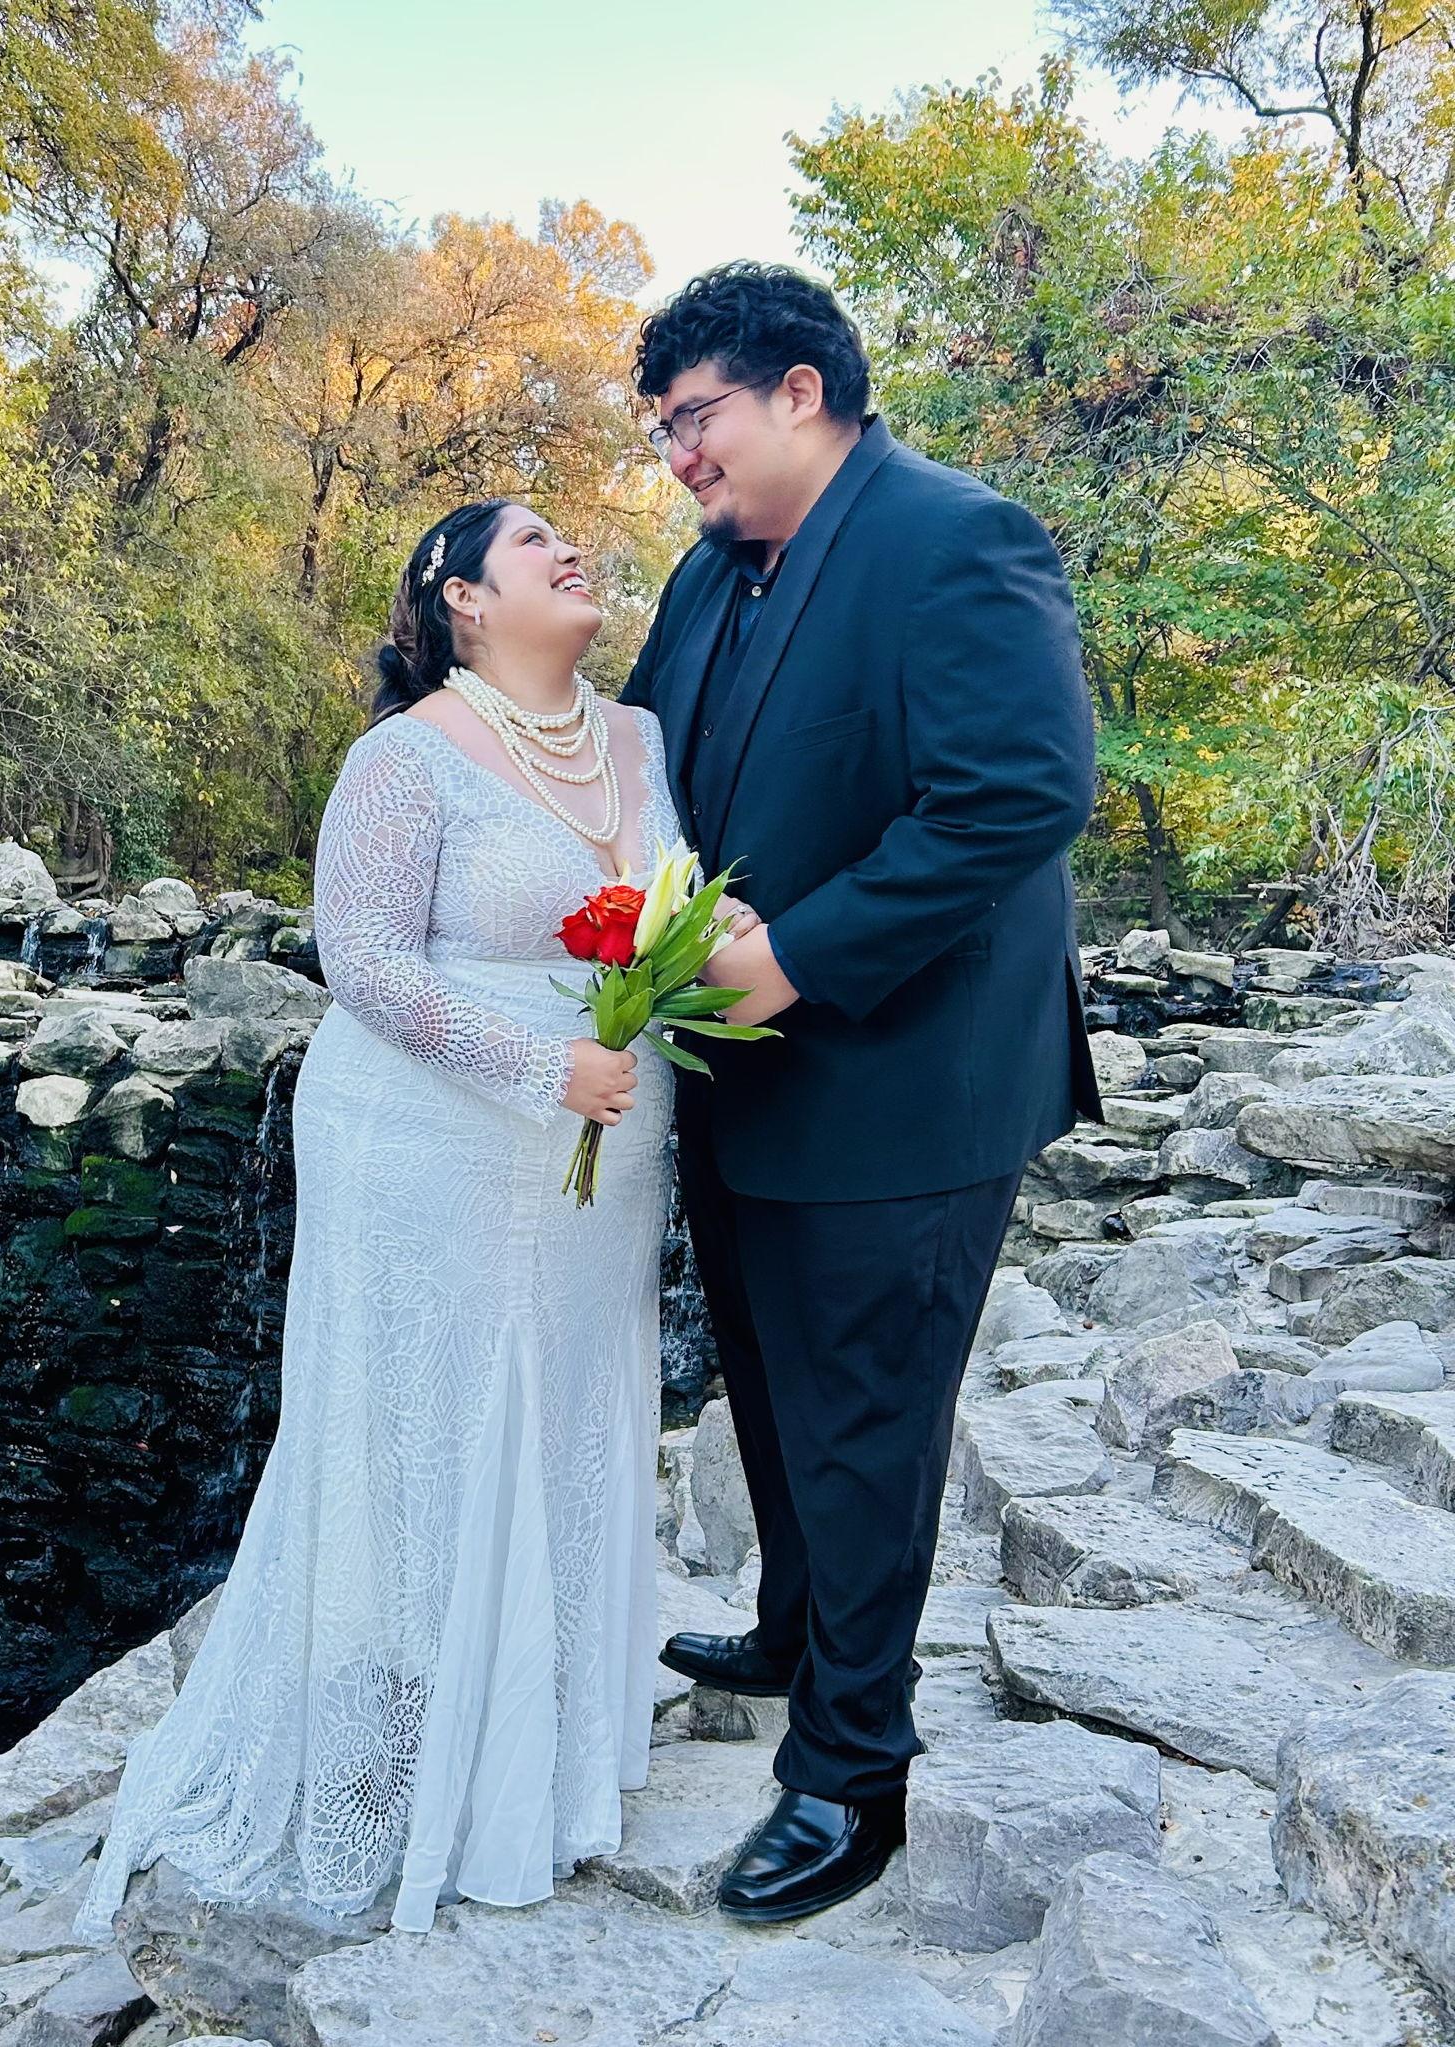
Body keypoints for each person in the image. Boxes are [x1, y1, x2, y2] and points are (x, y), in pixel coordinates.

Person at [79, 498, 681, 1937]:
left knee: (570, 1409)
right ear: (461, 596)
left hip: (607, 1145)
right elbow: (361, 960)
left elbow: (682, 915)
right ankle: (421, 1741)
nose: (571, 551)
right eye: (534, 541)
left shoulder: (643, 739)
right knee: (447, 1414)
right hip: (438, 1131)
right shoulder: (406, 757)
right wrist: (545, 1067)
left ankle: (542, 1753)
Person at [621, 262, 1101, 1924]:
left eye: (694, 417)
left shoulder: (958, 539)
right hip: (738, 1068)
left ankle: (850, 1775)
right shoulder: (708, 573)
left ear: (801, 391)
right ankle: (795, 1628)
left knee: (868, 1423)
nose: (677, 455)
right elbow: (649, 772)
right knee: (768, 1386)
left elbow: (1019, 795)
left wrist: (795, 957)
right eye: (662, 428)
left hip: (907, 1079)